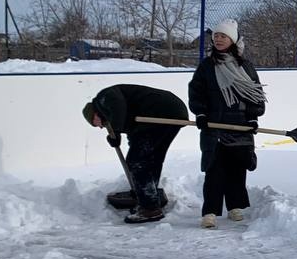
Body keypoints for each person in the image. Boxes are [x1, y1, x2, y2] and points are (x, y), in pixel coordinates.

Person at [189, 19, 266, 229]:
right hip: (213, 127)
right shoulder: (206, 66)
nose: (218, 39)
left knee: (237, 169)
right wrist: (201, 114)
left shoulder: (245, 66)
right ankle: (210, 212)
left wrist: (253, 117)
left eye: (223, 36)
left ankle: (234, 207)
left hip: (239, 126)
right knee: (214, 170)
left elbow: (256, 95)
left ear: (232, 39)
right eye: (216, 37)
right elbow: (196, 92)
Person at [82, 84, 188, 224]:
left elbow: (118, 106)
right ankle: (149, 195)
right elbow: (135, 134)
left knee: (136, 161)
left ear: (94, 114)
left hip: (159, 113)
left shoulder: (104, 98)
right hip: (173, 111)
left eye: (96, 124)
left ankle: (150, 208)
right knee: (153, 158)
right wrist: (117, 134)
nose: (101, 127)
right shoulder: (114, 113)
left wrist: (116, 131)